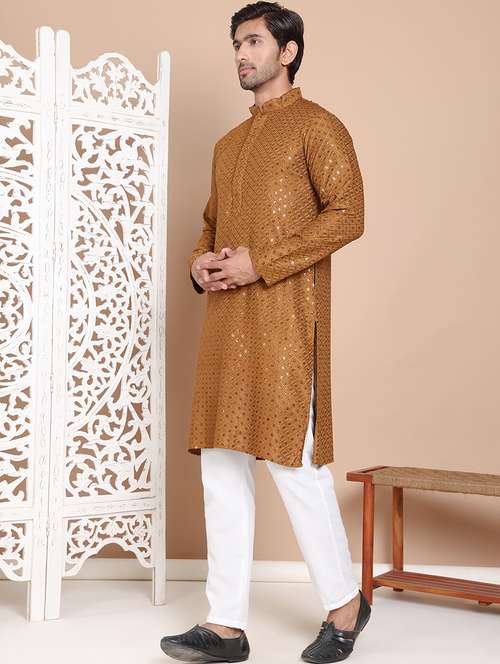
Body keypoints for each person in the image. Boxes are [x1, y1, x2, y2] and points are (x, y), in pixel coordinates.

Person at [160, 2, 370, 662]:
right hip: (226, 324)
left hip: (286, 324)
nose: (241, 54)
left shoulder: (318, 126)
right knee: (221, 468)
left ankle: (345, 605)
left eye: (253, 41)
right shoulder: (228, 145)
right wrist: (199, 263)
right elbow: (210, 224)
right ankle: (225, 625)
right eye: (236, 44)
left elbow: (349, 214)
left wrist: (263, 262)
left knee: (294, 465)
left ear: (288, 51)